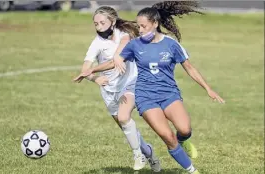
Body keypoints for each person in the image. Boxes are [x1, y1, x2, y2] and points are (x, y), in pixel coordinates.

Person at [74, 1, 225, 174]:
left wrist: (208, 89)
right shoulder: (135, 44)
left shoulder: (171, 44)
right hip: (145, 97)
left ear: (155, 24)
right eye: (138, 26)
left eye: (144, 26)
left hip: (169, 94)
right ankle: (192, 170)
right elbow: (113, 62)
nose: (140, 30)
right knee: (168, 137)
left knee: (185, 129)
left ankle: (183, 140)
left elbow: (189, 67)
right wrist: (92, 70)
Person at [73, 6, 161, 172]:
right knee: (126, 126)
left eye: (102, 22)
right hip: (109, 91)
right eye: (96, 24)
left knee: (123, 116)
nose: (98, 26)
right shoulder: (96, 44)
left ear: (112, 22)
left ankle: (137, 155)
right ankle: (148, 153)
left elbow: (118, 57)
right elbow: (85, 67)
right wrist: (94, 78)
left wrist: (96, 68)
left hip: (131, 81)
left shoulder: (124, 34)